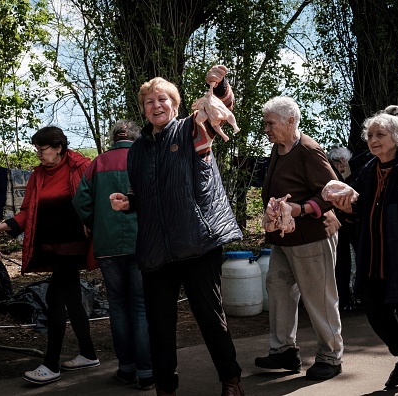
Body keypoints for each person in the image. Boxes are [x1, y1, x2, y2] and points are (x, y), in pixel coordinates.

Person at [109, 65, 245, 396]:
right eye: (149, 101)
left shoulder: (191, 129)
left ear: (175, 103)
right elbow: (146, 193)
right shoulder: (138, 149)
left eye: (163, 99)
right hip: (157, 248)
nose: (156, 105)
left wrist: (219, 86)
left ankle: (231, 382)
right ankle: (166, 389)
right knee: (159, 326)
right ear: (143, 109)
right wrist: (129, 203)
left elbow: (218, 110)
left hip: (197, 240)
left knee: (210, 317)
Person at [331, 106, 398, 396]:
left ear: (397, 136)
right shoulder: (368, 170)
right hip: (374, 258)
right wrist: (346, 211)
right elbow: (360, 210)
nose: (373, 140)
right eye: (370, 135)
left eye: (380, 134)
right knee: (375, 311)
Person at [0, 126, 99, 386]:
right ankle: (88, 354)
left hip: (72, 246)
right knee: (71, 297)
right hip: (50, 247)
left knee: (54, 297)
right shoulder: (37, 175)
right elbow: (27, 211)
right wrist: (2, 226)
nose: (38, 154)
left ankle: (51, 365)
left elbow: (95, 200)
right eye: (36, 149)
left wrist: (91, 222)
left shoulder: (80, 167)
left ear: (58, 147)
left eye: (42, 149)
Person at [255, 96, 344, 380]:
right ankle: (283, 351)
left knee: (318, 297)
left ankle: (331, 356)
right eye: (265, 123)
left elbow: (334, 193)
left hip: (312, 237)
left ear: (291, 121)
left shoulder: (308, 149)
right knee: (278, 289)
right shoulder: (278, 148)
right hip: (284, 238)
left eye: (270, 123)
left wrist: (300, 208)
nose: (265, 129)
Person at [72, 120, 154, 390]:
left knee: (118, 305)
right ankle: (146, 372)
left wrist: (94, 222)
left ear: (113, 137)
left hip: (107, 245)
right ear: (135, 136)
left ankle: (126, 368)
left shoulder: (97, 163)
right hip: (141, 241)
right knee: (141, 305)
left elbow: (80, 200)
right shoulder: (144, 157)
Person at [328, 146, 357, 312]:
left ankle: (342, 299)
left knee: (340, 265)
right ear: (341, 160)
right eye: (344, 162)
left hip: (337, 228)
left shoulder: (331, 173)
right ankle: (342, 301)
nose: (345, 166)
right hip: (339, 228)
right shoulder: (334, 176)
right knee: (341, 265)